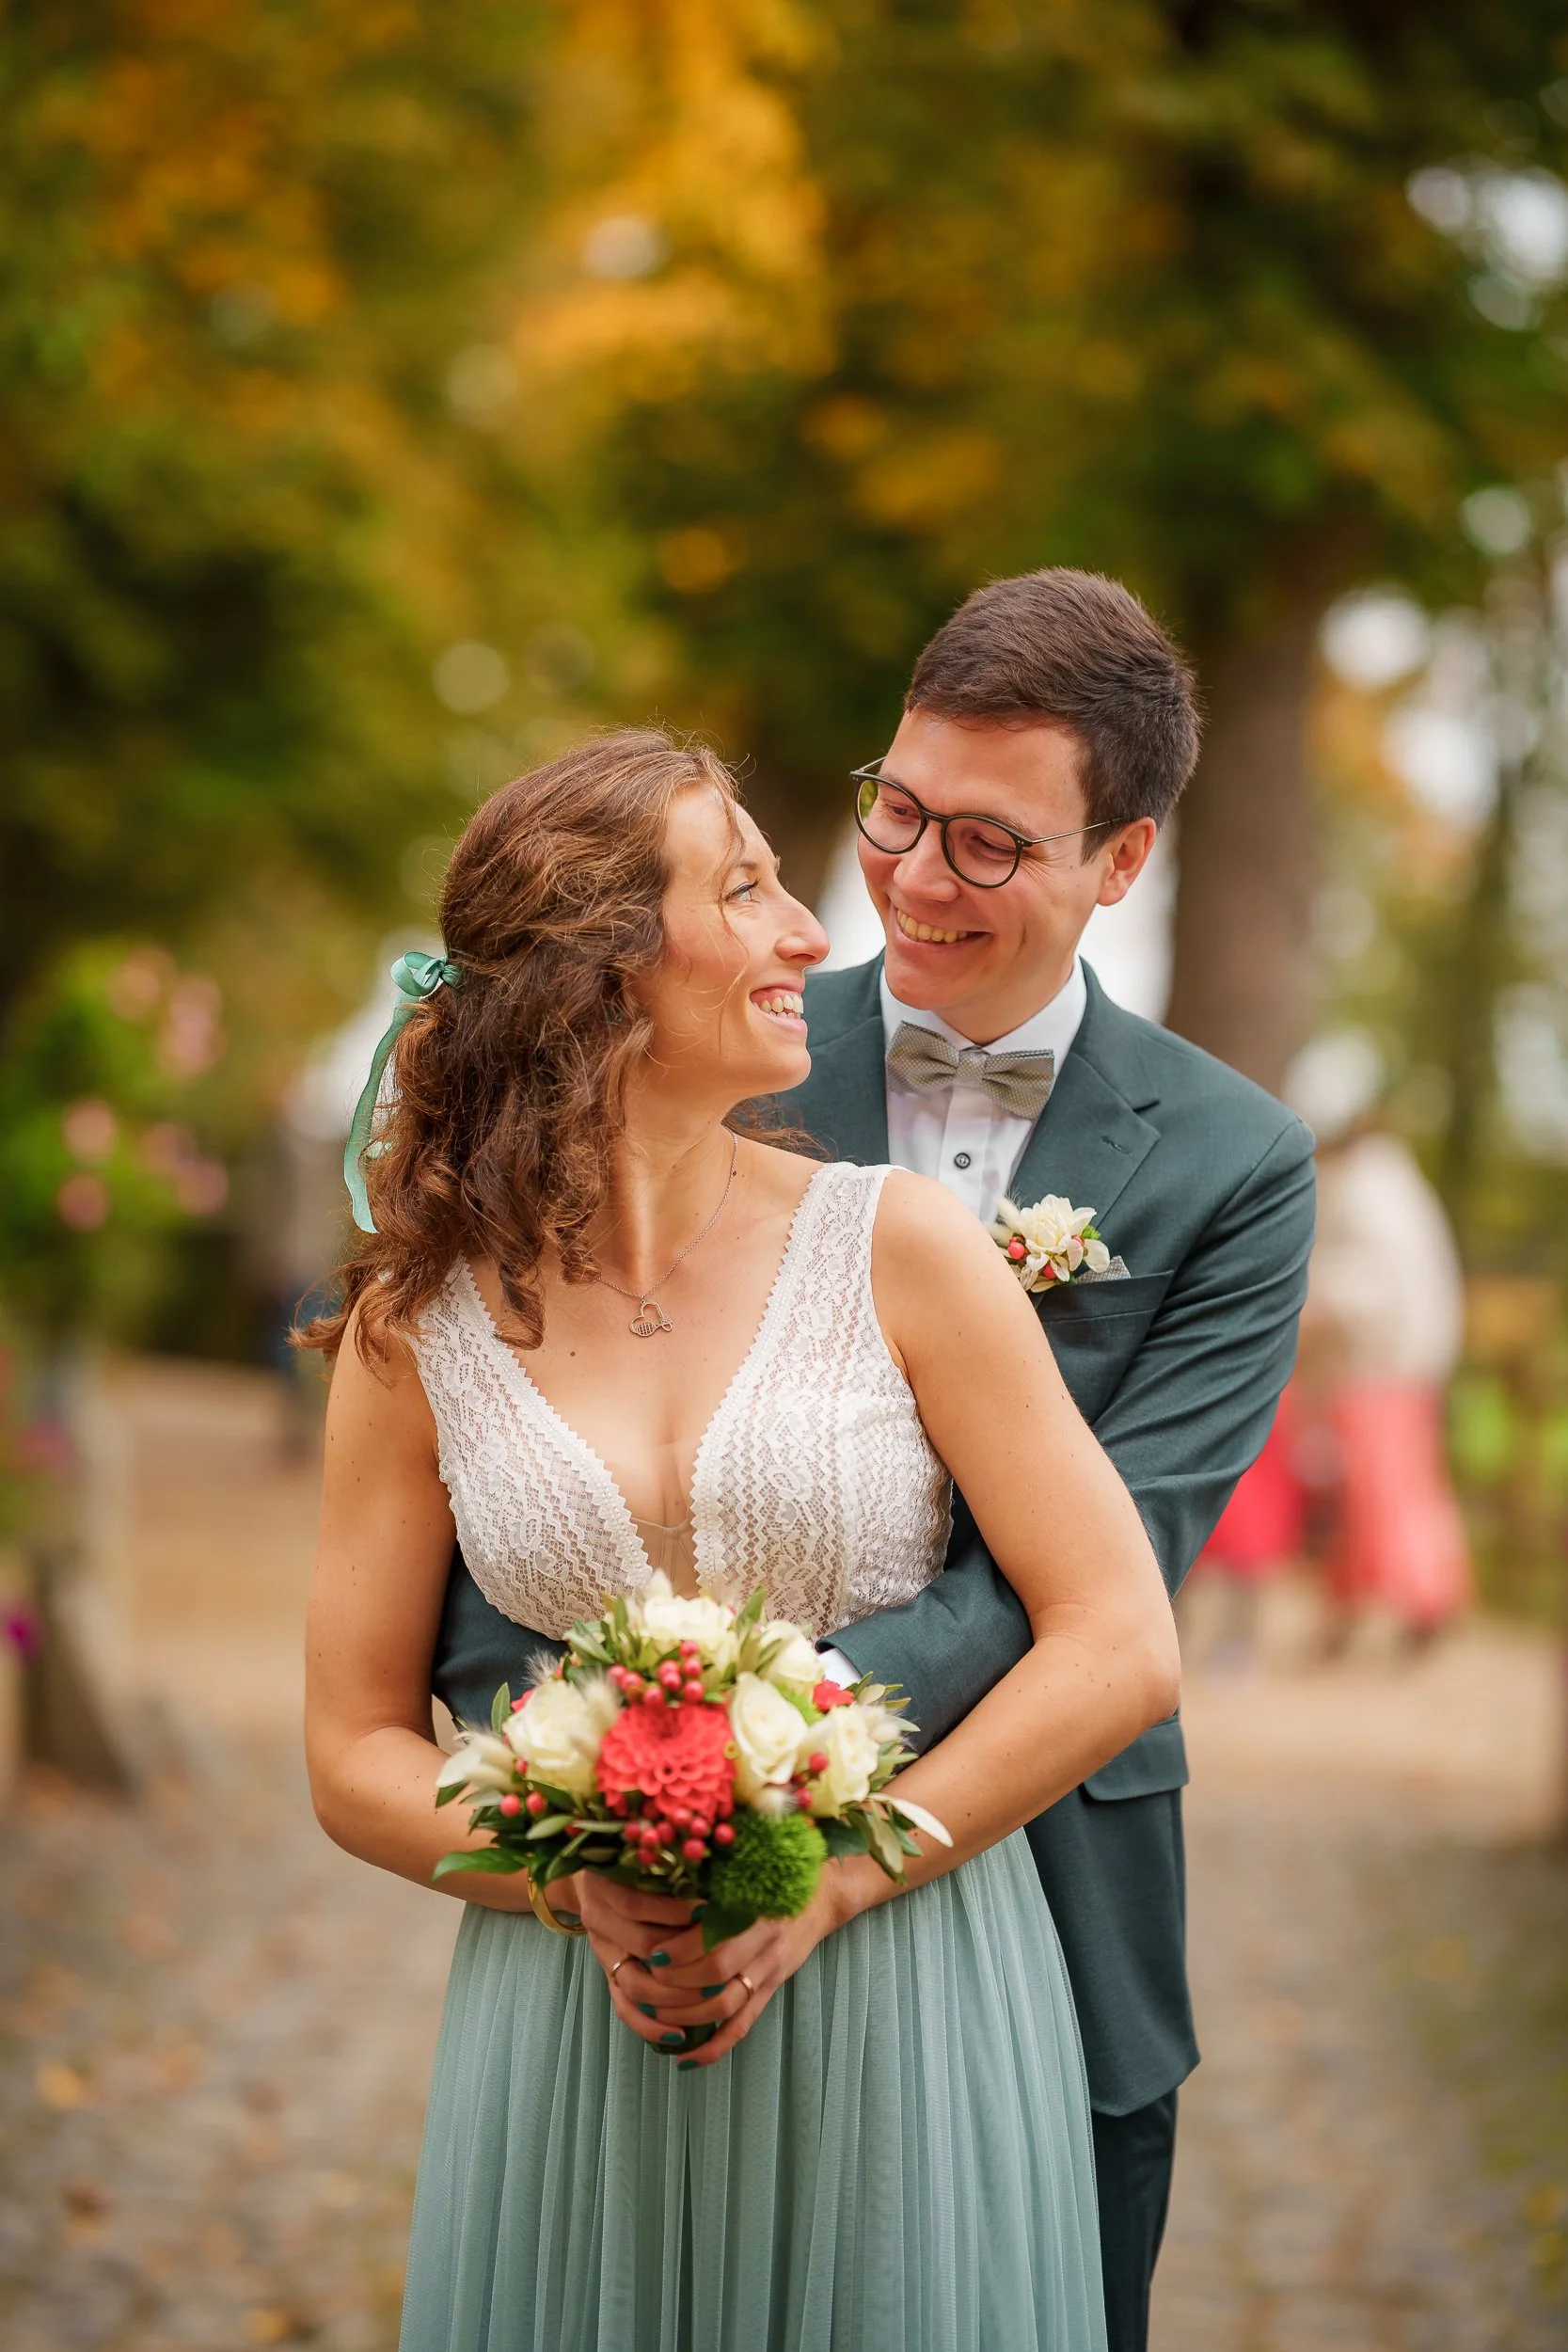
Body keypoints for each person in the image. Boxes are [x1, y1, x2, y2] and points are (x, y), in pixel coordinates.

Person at [304, 729, 1180, 2352]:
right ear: (599, 974)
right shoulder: (415, 1329)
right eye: (746, 888)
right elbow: (350, 1749)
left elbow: (1120, 1641)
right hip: (572, 2028)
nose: (808, 933)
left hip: (899, 1990)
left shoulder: (899, 1248)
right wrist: (565, 1883)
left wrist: (840, 1876)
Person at [769, 568, 1318, 2352]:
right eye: (898, 809)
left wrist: (784, 1715)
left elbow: (1117, 1550)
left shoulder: (1235, 1163)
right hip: (720, 1847)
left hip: (1062, 1854)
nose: (916, 877)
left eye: (990, 844)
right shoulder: (723, 1073)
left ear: (1122, 860)